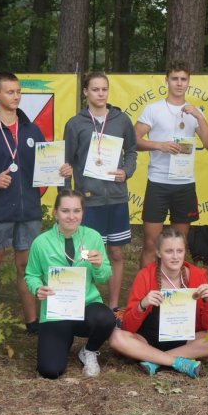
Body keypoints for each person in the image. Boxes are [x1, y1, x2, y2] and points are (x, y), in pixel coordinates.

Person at [0, 72, 72, 334]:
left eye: (18, 91)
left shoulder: (32, 130)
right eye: (10, 92)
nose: (16, 96)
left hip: (28, 210)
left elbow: (47, 166)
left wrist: (61, 170)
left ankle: (32, 322)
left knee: (26, 266)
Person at [109, 228, 208, 377]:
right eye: (169, 251)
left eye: (179, 251)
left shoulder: (196, 275)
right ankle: (177, 361)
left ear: (185, 251)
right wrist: (142, 305)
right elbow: (128, 327)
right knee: (116, 337)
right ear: (158, 253)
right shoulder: (145, 275)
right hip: (147, 340)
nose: (175, 256)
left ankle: (154, 360)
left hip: (186, 340)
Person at [64, 71, 137, 309]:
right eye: (95, 89)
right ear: (85, 92)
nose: (100, 94)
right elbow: (66, 162)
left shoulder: (121, 120)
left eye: (104, 89)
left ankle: (113, 307)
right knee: (88, 254)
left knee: (115, 253)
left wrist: (126, 171)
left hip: (116, 198)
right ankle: (87, 305)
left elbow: (132, 151)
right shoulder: (75, 124)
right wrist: (66, 196)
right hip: (89, 200)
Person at [24, 190, 116, 378]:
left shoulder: (93, 237)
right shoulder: (40, 243)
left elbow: (103, 277)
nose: (71, 216)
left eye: (77, 211)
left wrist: (99, 266)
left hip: (86, 306)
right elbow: (31, 275)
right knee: (50, 371)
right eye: (65, 211)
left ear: (83, 212)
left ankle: (89, 351)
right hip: (55, 312)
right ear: (55, 213)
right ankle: (61, 342)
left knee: (106, 318)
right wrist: (37, 288)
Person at [135, 61, 208, 268]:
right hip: (158, 182)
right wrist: (159, 145)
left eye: (183, 79)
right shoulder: (153, 109)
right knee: (150, 243)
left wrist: (199, 116)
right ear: (167, 81)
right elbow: (133, 140)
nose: (179, 83)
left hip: (184, 184)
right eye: (175, 79)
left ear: (189, 82)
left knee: (179, 245)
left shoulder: (195, 112)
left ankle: (174, 286)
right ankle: (147, 286)